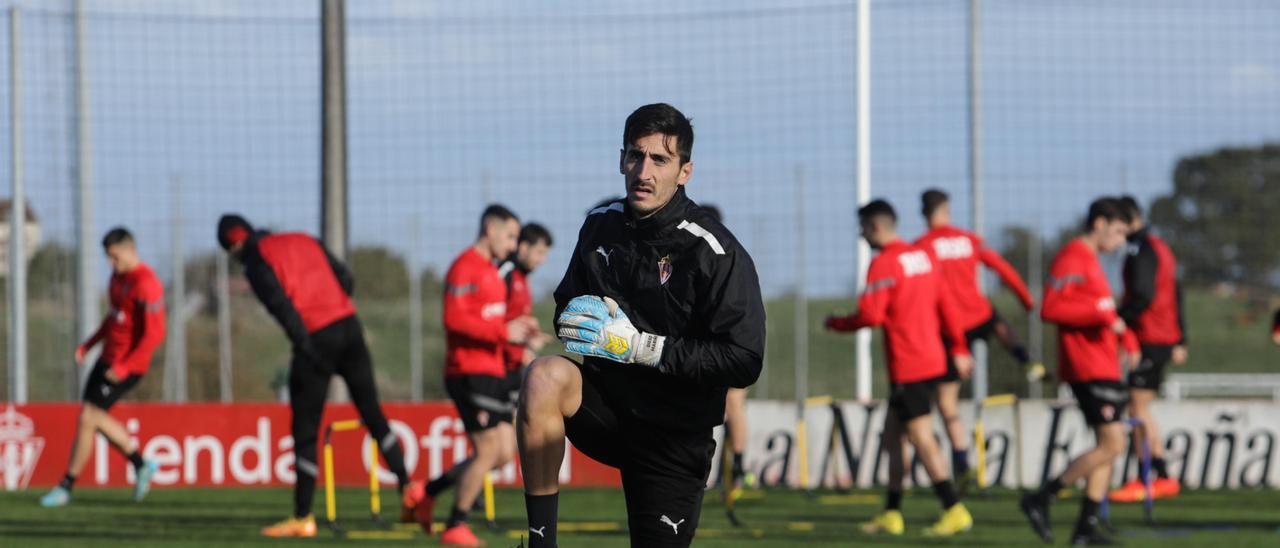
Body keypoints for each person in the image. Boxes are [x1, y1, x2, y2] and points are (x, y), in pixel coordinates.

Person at [518, 103, 765, 548]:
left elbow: (744, 359)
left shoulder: (715, 252)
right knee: (543, 376)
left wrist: (641, 347)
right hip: (608, 409)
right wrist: (584, 323)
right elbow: (565, 310)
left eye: (660, 160)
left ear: (684, 171)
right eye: (635, 155)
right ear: (621, 160)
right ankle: (540, 542)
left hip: (674, 435)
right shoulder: (600, 226)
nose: (643, 171)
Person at [217, 214, 411, 538]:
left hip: (316, 337)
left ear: (235, 244)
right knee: (372, 413)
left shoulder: (256, 262)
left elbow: (283, 310)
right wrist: (335, 304)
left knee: (306, 428)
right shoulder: (303, 238)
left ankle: (303, 516)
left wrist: (307, 348)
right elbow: (345, 277)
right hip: (349, 326)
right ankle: (410, 494)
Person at [825, 199, 975, 538]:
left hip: (910, 364)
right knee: (894, 437)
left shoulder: (885, 263)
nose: (861, 235)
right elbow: (947, 305)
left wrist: (836, 323)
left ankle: (954, 508)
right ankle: (892, 513)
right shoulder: (923, 257)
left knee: (921, 436)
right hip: (931, 359)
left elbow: (871, 315)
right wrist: (960, 347)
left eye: (863, 228)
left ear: (876, 227)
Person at [407, 205, 537, 546]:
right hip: (468, 370)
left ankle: (427, 491)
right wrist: (501, 332)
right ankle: (455, 525)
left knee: (505, 451)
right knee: (487, 450)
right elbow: (454, 319)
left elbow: (494, 321)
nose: (513, 246)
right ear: (489, 230)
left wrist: (520, 334)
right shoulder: (465, 267)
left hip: (491, 369)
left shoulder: (492, 272)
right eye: (510, 236)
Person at [1020, 197, 1140, 546]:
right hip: (1088, 367)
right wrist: (1099, 310)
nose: (1120, 241)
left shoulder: (1090, 261)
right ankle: (1042, 498)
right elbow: (1052, 307)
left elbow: (1105, 314)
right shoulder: (1073, 256)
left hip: (1103, 364)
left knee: (1110, 446)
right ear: (1099, 223)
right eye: (1118, 232)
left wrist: (1126, 338)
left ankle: (1084, 530)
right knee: (1112, 443)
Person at [914, 189, 1039, 487]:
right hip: (979, 314)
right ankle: (1026, 360)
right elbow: (1002, 268)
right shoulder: (968, 239)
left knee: (947, 403)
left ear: (923, 213)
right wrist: (1026, 299)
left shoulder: (922, 247)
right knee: (998, 324)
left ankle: (960, 458)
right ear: (946, 209)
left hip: (950, 328)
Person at [39, 228, 164, 508]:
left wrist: (125, 366)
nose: (110, 263)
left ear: (130, 249)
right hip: (106, 359)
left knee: (89, 417)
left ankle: (66, 486)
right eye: (108, 257)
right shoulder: (117, 279)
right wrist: (90, 344)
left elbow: (154, 334)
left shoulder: (147, 283)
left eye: (114, 256)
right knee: (88, 418)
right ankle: (141, 464)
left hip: (127, 365)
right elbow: (113, 318)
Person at [1109, 195, 1186, 503]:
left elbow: (1142, 294)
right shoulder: (1160, 246)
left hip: (1150, 336)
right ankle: (1161, 473)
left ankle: (1147, 477)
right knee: (1140, 408)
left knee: (1137, 408)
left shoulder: (1141, 249)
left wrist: (1116, 317)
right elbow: (1176, 292)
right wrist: (1182, 337)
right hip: (1163, 335)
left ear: (1127, 221)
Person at [701, 203, 755, 498]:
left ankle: (739, 469)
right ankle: (721, 471)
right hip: (712, 347)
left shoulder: (727, 256)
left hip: (732, 345)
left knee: (733, 403)